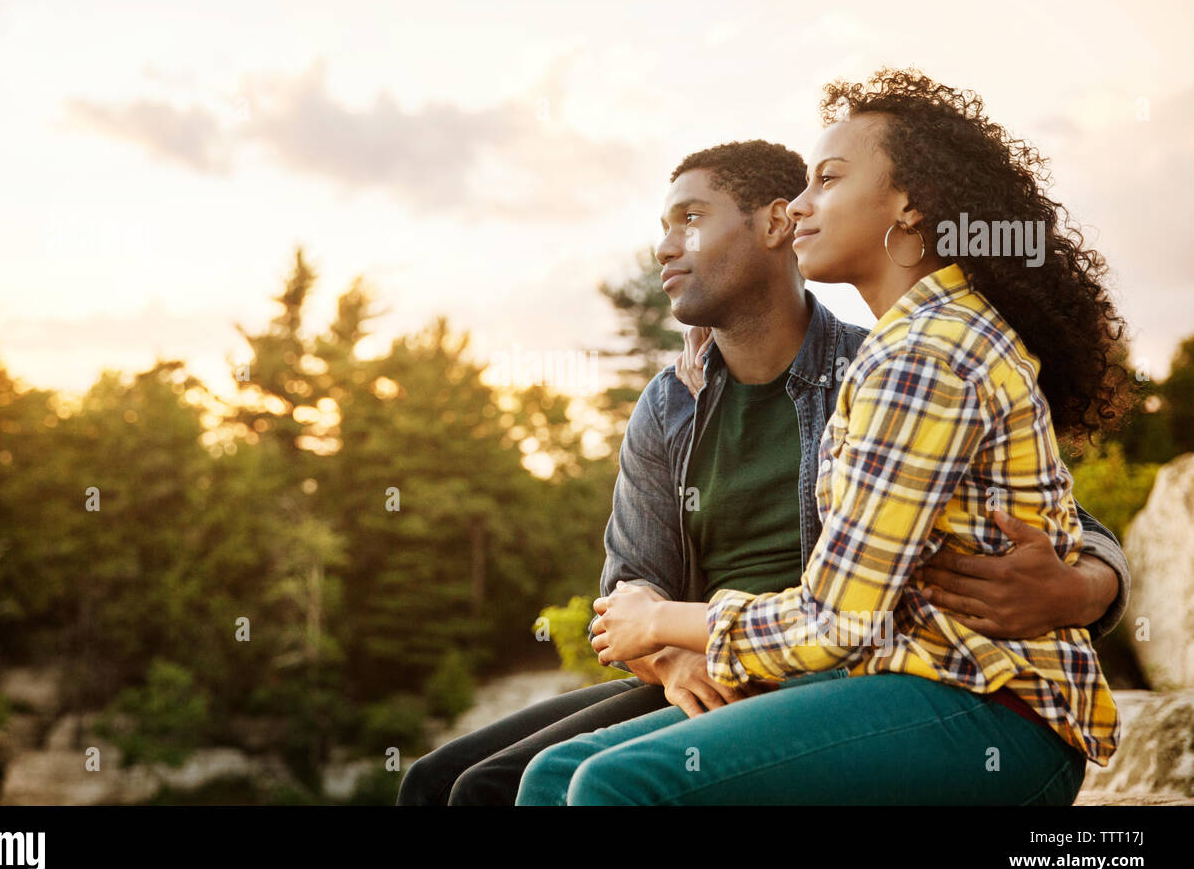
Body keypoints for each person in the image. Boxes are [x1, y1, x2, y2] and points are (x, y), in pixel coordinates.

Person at [398, 130, 1131, 806]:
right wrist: (674, 659)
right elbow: (629, 583)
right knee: (451, 785)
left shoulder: (885, 363)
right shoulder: (668, 405)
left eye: (689, 220)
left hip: (830, 662)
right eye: (662, 228)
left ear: (777, 225)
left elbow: (1051, 517)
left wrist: (1080, 589)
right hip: (722, 662)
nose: (664, 249)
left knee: (592, 786)